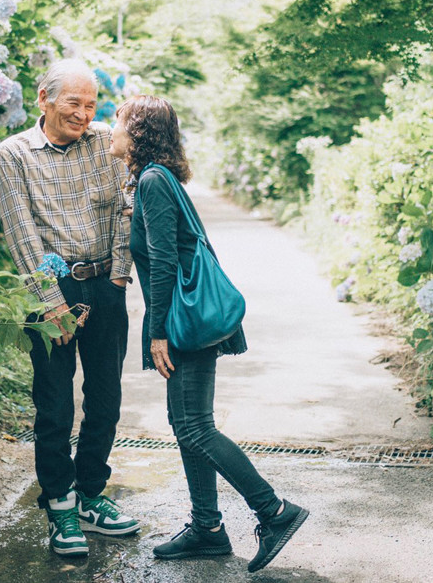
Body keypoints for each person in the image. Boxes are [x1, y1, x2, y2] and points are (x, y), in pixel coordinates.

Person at [111, 95, 309, 573]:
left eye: (116, 120)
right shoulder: (155, 179)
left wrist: (156, 332)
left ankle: (274, 512)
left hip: (182, 322)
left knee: (196, 425)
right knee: (186, 425)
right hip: (184, 317)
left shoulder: (154, 181)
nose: (109, 127)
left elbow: (162, 261)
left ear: (138, 131)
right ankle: (207, 527)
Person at [0, 60, 139, 557]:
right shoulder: (14, 153)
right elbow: (20, 231)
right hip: (49, 290)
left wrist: (119, 274)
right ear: (43, 99)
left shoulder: (106, 143)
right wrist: (50, 302)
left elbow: (126, 208)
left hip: (105, 285)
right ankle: (60, 503)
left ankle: (92, 495)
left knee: (106, 398)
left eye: (89, 103)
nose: (83, 113)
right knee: (54, 405)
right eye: (72, 103)